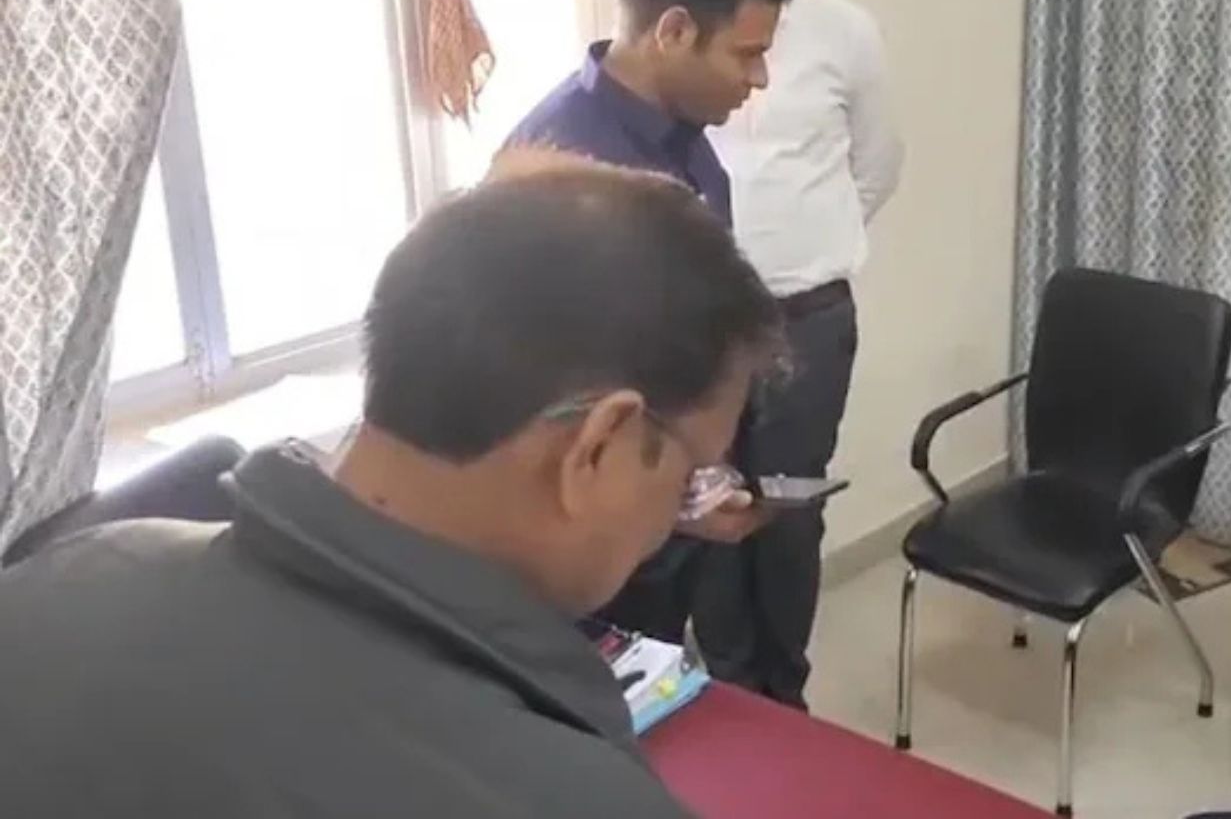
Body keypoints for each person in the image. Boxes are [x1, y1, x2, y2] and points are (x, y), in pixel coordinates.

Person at [0, 166, 785, 817]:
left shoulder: (72, 571)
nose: (675, 518)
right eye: (690, 477)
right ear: (600, 447)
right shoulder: (569, 793)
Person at [619, 0, 903, 710]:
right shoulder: (657, 42)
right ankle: (735, 691)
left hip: (804, 319)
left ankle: (785, 691)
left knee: (786, 516)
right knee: (705, 509)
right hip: (699, 331)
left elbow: (876, 166)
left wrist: (798, 251)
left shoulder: (840, 30)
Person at [502, 0, 799, 644]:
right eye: (747, 54)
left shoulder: (688, 145)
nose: (759, 79)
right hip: (590, 537)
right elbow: (541, 383)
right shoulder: (560, 164)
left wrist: (701, 479)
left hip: (663, 511)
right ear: (674, 31)